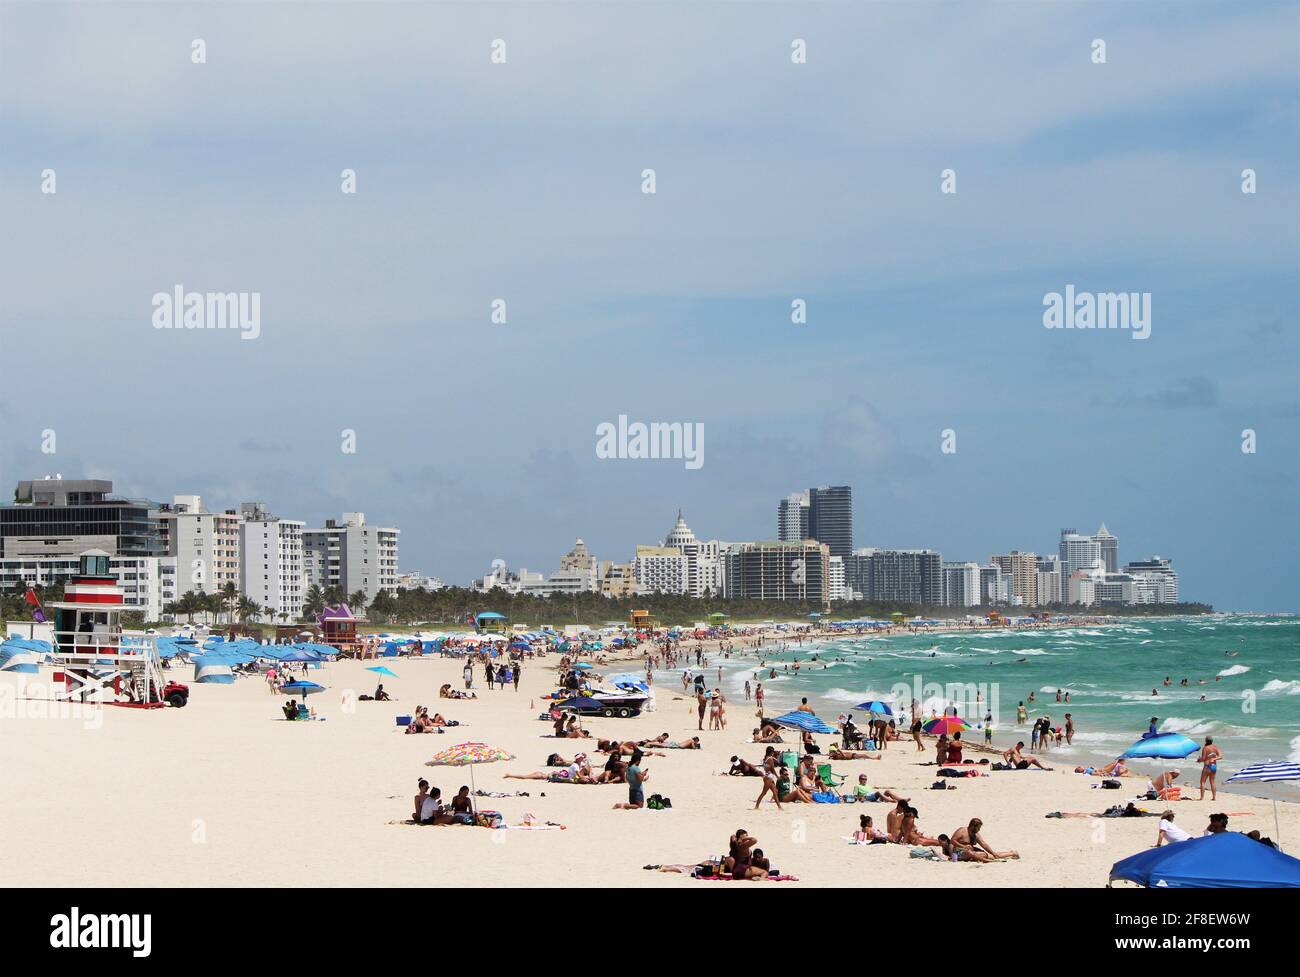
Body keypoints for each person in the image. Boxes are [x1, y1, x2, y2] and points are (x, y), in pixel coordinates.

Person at [951, 818, 1018, 859]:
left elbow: (983, 844)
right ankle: (1011, 853)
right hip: (959, 852)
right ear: (973, 826)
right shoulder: (962, 831)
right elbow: (952, 840)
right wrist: (964, 846)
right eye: (978, 828)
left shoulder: (975, 834)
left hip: (971, 852)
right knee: (982, 855)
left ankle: (1012, 853)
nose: (979, 830)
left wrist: (992, 853)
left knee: (992, 856)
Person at [1197, 736, 1222, 801]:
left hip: (1207, 766)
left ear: (1206, 741)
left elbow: (1203, 758)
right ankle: (1214, 797)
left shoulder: (1205, 748)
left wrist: (1199, 760)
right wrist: (1214, 758)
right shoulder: (1215, 747)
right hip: (1214, 766)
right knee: (1212, 782)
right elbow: (1221, 756)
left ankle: (1202, 797)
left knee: (1202, 781)